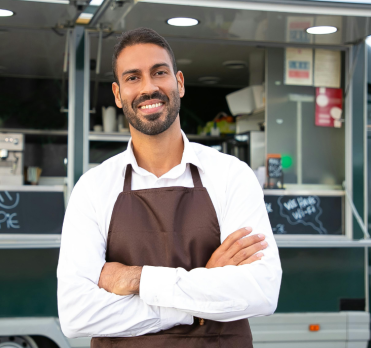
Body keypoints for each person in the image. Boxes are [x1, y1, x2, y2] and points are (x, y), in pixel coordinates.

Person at [57, 27, 282, 348]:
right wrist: (199, 299)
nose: (149, 87)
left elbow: (261, 292)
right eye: (133, 77)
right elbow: (76, 315)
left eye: (159, 73)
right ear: (118, 94)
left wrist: (137, 279)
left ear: (179, 82)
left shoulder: (232, 175)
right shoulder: (93, 188)